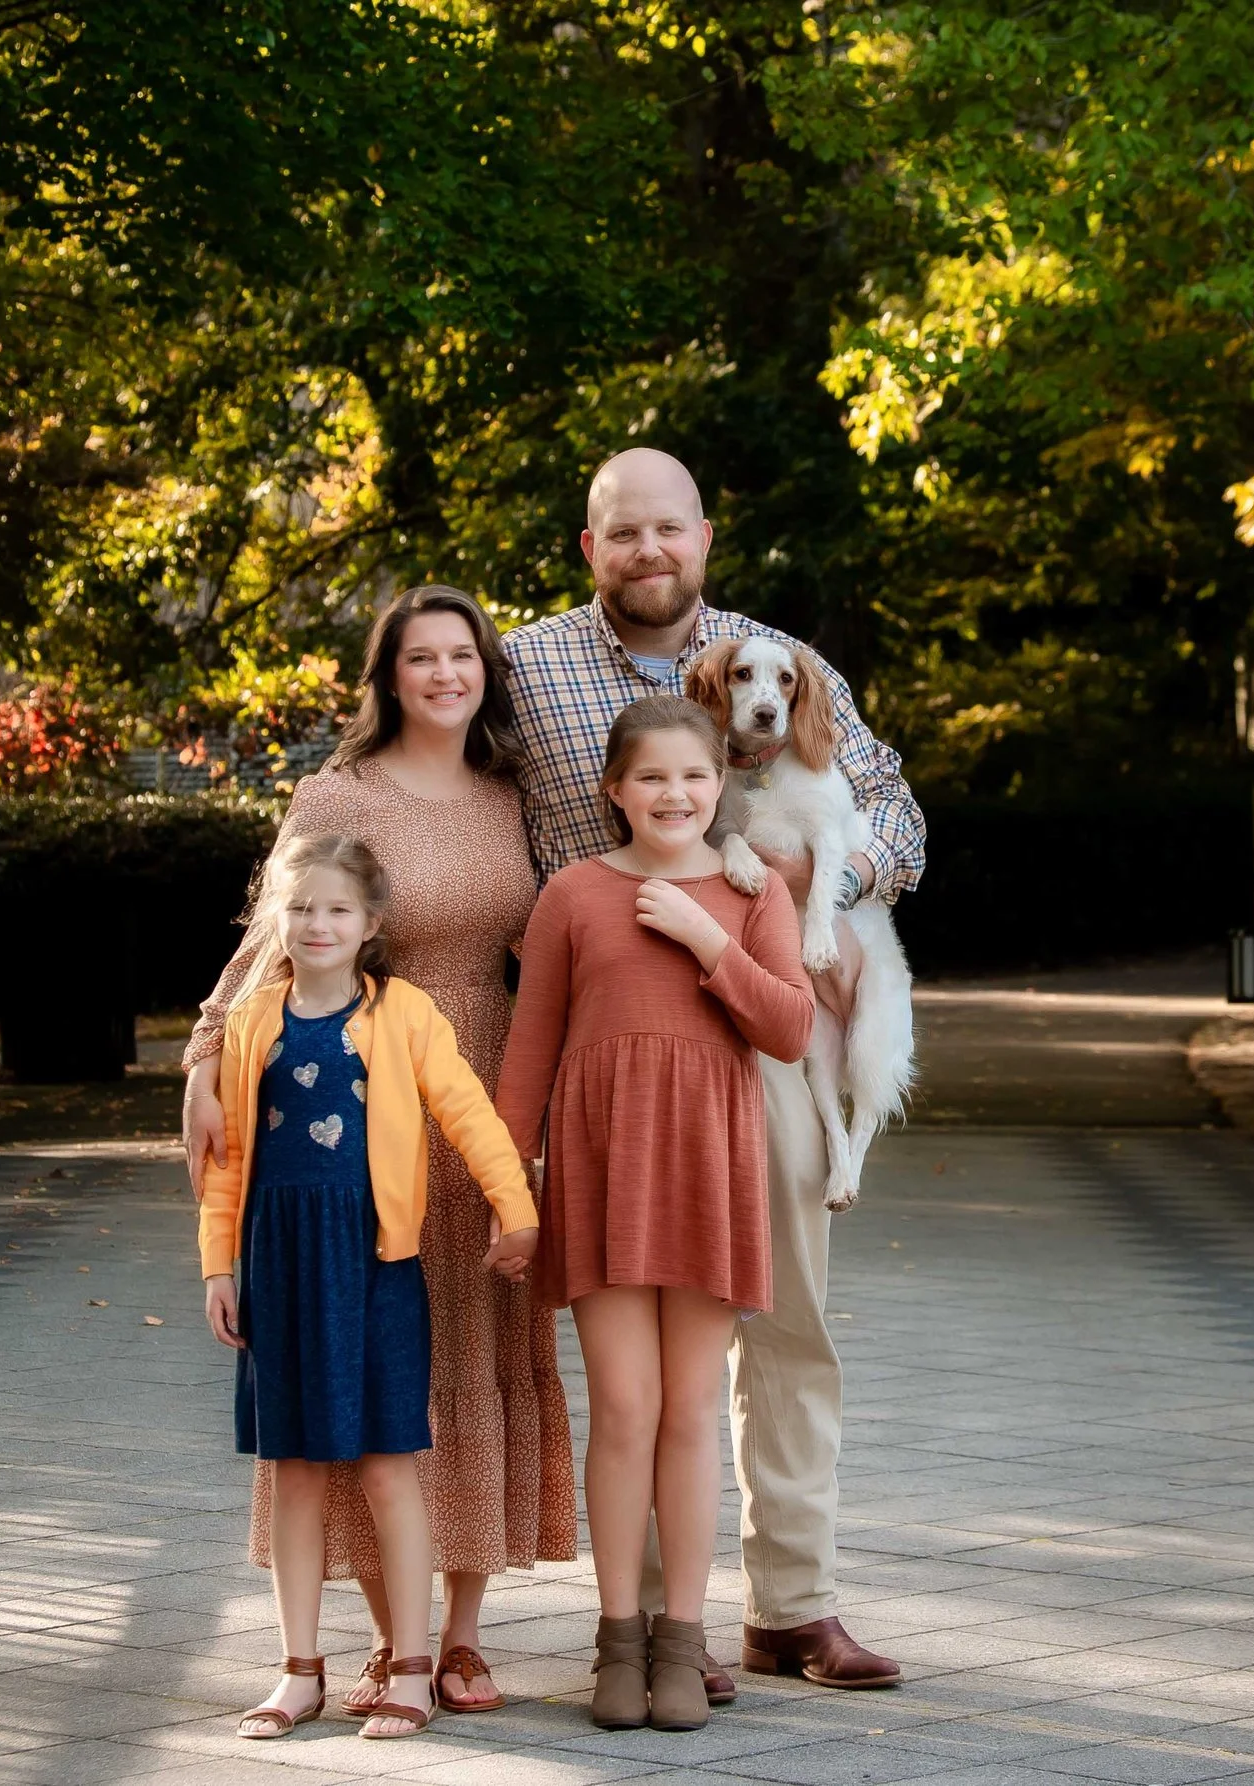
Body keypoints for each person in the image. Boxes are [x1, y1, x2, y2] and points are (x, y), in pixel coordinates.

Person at [500, 447, 921, 1690]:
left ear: (704, 537)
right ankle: (644, 1623)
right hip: (612, 1045)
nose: (648, 553)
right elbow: (400, 803)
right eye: (623, 533)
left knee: (787, 1313)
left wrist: (814, 891)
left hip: (766, 1016)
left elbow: (889, 803)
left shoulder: (778, 655)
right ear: (591, 548)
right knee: (633, 1368)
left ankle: (791, 1603)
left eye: (668, 530)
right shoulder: (521, 668)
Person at [179, 586, 575, 1717]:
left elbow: (551, 939)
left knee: (468, 1356)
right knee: (365, 1370)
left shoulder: (514, 795)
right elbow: (277, 933)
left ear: (485, 671)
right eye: (421, 658)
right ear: (388, 674)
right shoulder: (335, 792)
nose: (445, 674)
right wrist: (207, 1059)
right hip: (361, 1095)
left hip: (483, 1083)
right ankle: (372, 1639)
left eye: (463, 656)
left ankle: (454, 1637)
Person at [495, 695, 813, 1730]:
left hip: (709, 1170)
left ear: (720, 783)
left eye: (693, 775)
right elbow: (530, 1048)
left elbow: (792, 1029)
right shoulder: (572, 896)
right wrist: (510, 1186)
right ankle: (617, 1639)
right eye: (651, 778)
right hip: (601, 1169)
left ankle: (684, 1639)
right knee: (624, 1408)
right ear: (612, 790)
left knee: (688, 1412)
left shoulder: (745, 887)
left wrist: (705, 940)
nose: (674, 794)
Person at [198, 833, 540, 1741]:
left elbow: (468, 1111)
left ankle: (413, 1665)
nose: (317, 924)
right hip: (279, 1266)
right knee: (296, 1466)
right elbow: (227, 1160)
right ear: (275, 915)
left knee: (390, 1465)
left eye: (338, 910)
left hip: (378, 1264)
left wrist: (517, 1209)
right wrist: (218, 1268)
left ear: (371, 924)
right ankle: (298, 1669)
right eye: (300, 907)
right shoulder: (251, 1020)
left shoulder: (405, 1013)